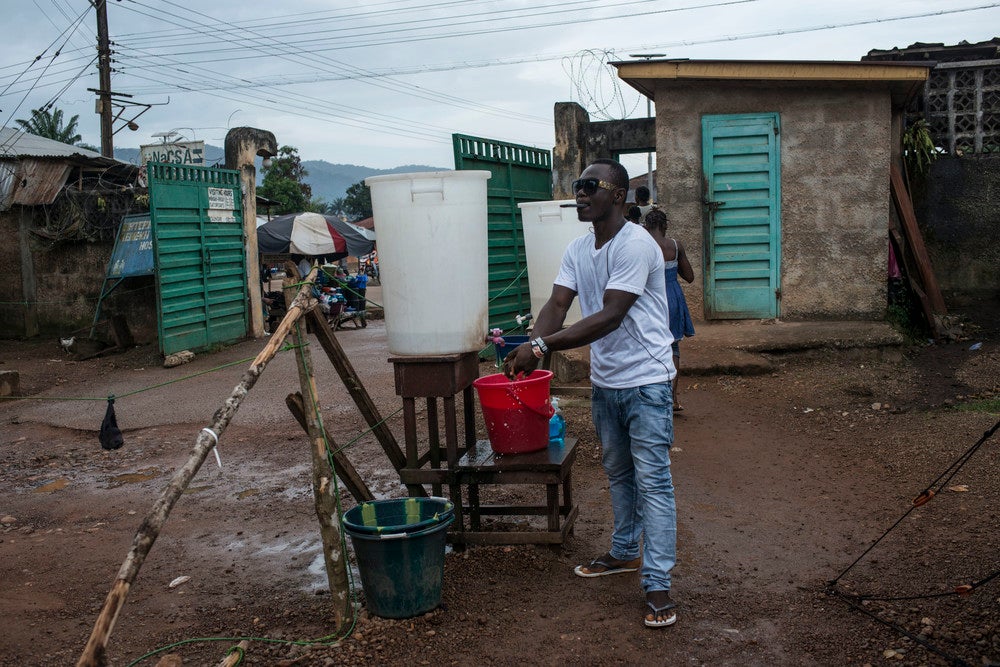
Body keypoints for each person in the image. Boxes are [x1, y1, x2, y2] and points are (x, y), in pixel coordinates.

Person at [503, 158, 678, 628]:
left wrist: (540, 344)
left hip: (646, 381)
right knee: (619, 474)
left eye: (589, 186)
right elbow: (558, 303)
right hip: (607, 383)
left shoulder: (636, 245)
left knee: (654, 482)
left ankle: (658, 582)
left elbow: (610, 315)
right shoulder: (579, 248)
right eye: (577, 186)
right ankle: (624, 552)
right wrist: (531, 347)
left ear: (618, 195)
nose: (579, 193)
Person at [642, 208, 696, 411]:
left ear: (646, 227)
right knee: (673, 348)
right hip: (672, 299)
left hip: (650, 300)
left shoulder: (643, 246)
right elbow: (689, 276)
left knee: (649, 347)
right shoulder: (675, 245)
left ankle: (653, 398)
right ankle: (673, 399)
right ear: (665, 226)